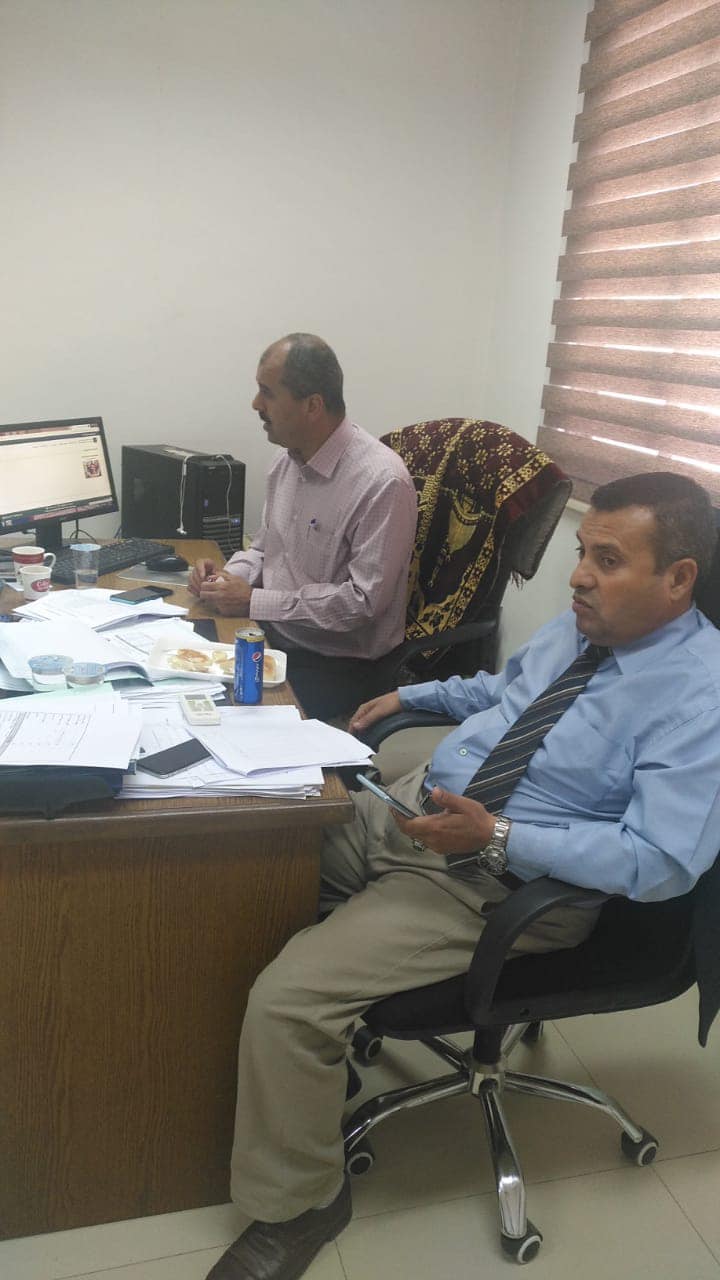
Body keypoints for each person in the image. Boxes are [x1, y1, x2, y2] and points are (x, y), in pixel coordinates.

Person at [207, 472, 720, 1280]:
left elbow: (661, 861)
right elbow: (505, 690)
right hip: (417, 808)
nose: (578, 576)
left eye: (608, 560)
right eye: (582, 552)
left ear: (679, 578)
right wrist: (409, 693)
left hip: (490, 882)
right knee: (249, 861)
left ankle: (300, 1203)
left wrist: (499, 836)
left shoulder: (700, 697)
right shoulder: (587, 624)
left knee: (287, 1000)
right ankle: (293, 1082)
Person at [188, 333, 417, 720]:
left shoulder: (382, 482)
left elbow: (362, 604)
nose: (256, 404)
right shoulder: (286, 461)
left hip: (339, 667)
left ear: (313, 405)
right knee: (182, 674)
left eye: (267, 393)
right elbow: (264, 550)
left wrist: (253, 600)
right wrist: (226, 579)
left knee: (225, 717)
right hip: (275, 636)